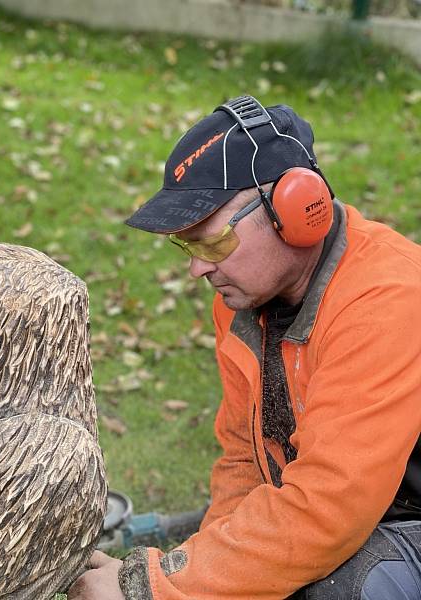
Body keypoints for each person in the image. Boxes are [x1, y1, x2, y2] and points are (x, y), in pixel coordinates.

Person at [68, 95, 421, 599]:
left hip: (405, 517)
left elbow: (326, 509)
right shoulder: (241, 304)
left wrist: (144, 588)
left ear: (298, 209)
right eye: (187, 247)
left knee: (335, 587)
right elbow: (247, 462)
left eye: (212, 243)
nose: (198, 268)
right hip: (356, 509)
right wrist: (192, 569)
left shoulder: (388, 297)